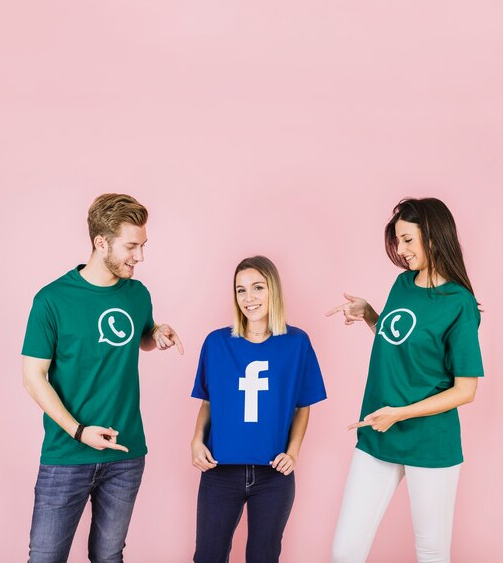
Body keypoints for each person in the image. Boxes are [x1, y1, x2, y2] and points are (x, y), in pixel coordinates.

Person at [22, 193, 184, 563]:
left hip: (126, 455)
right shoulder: (52, 300)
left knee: (109, 556)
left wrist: (156, 333)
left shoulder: (137, 293)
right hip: (67, 454)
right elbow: (34, 377)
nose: (139, 256)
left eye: (143, 246)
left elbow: (140, 336)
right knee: (45, 557)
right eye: (131, 246)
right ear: (101, 242)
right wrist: (79, 431)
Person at [328, 197, 484, 563]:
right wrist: (370, 315)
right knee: (344, 550)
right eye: (398, 241)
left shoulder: (458, 304)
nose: (401, 250)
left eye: (408, 240)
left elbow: (466, 390)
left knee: (431, 553)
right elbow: (399, 345)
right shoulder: (402, 284)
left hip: (430, 443)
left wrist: (399, 413)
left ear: (433, 236)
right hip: (378, 432)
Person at [190, 255, 327, 563]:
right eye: (240, 290)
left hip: (273, 475)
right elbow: (208, 401)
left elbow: (302, 406)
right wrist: (196, 440)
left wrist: (292, 453)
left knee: (263, 556)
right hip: (220, 471)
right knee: (208, 556)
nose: (249, 298)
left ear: (273, 291)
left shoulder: (296, 343)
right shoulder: (216, 342)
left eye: (257, 288)